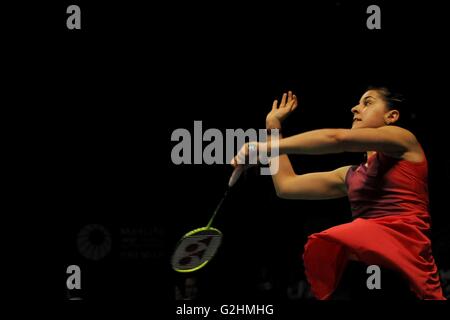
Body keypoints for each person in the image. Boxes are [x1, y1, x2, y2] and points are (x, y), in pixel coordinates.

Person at [231, 88, 446, 300]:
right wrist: (273, 127)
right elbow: (287, 186)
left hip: (408, 267)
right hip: (372, 268)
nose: (355, 108)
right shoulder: (352, 175)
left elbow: (337, 138)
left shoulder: (405, 141)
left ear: (392, 116)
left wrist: (266, 148)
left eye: (367, 102)